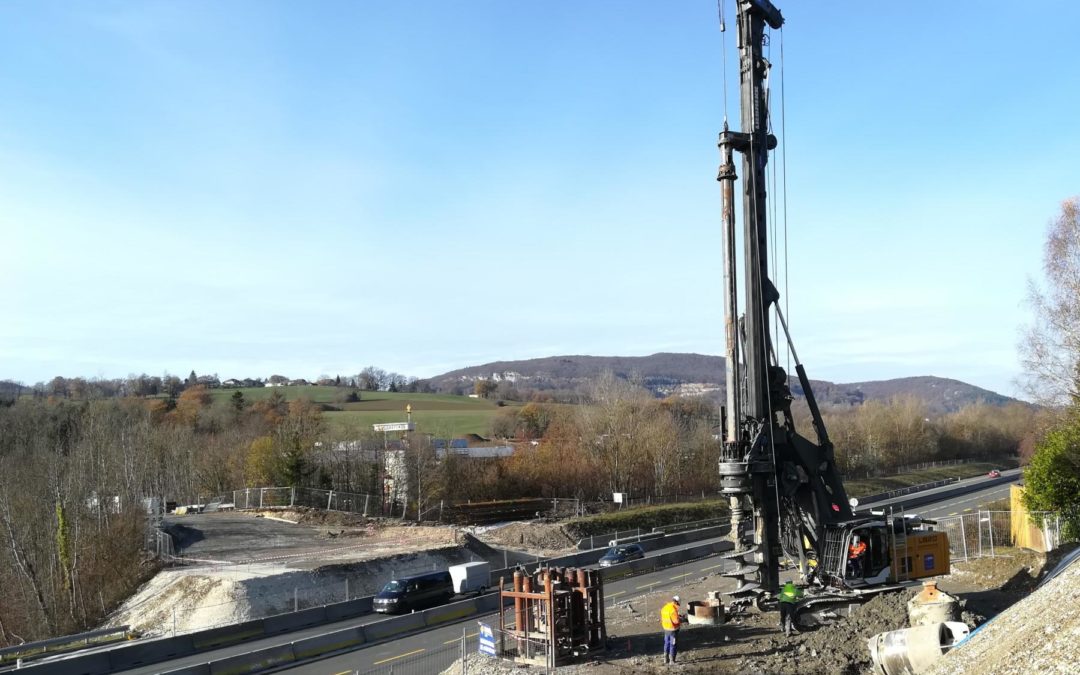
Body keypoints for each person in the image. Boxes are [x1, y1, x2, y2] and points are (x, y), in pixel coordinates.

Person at [660, 595, 683, 664]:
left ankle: (665, 658)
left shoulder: (665, 608)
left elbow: (664, 618)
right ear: (676, 602)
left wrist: (677, 616)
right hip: (673, 630)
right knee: (673, 644)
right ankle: (672, 660)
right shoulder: (673, 610)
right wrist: (682, 619)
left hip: (666, 629)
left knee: (666, 643)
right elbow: (676, 621)